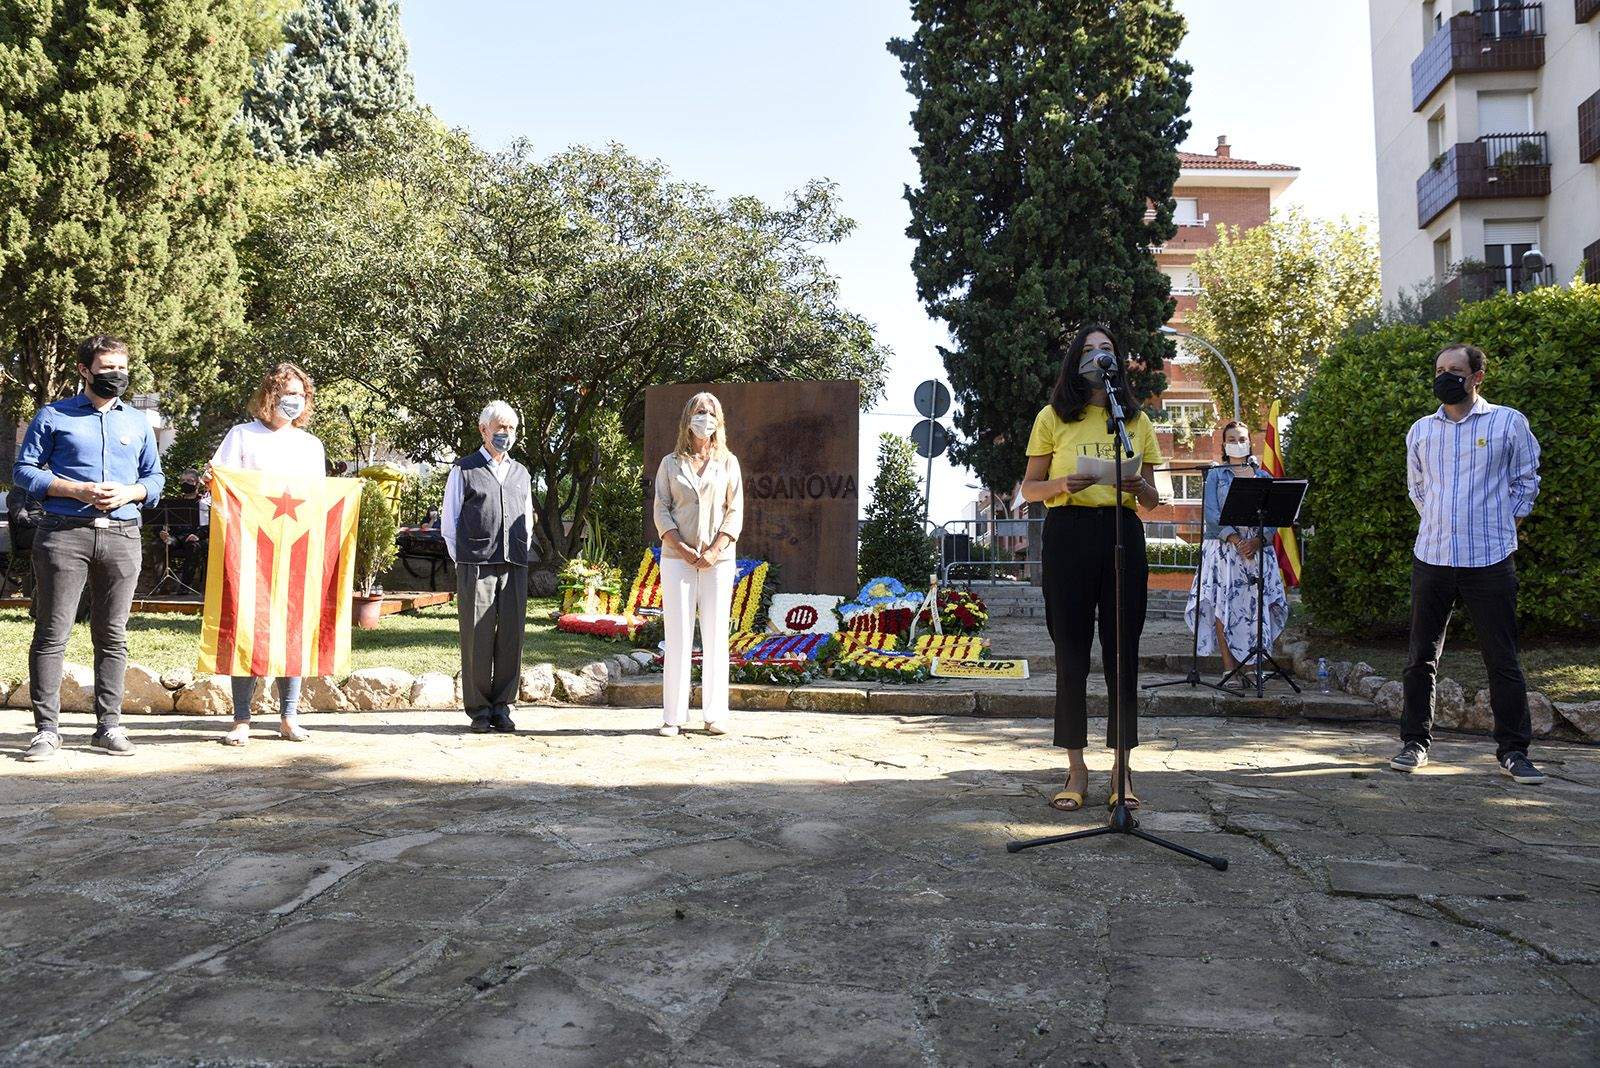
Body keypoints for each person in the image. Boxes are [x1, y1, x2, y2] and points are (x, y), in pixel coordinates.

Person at [1020, 323, 1164, 811]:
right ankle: (1076, 768)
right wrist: (1063, 483)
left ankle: (1122, 769)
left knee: (1123, 654)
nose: (1099, 355)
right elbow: (1029, 489)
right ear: (1075, 361)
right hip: (1069, 534)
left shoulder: (1136, 420)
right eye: (1089, 349)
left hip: (1122, 533)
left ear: (1116, 360)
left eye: (1106, 349)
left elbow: (1153, 498)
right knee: (1072, 656)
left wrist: (1139, 487)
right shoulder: (1052, 417)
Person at [1392, 343, 1544, 784]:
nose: (1445, 376)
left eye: (1455, 370)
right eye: (1440, 369)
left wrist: (1501, 524)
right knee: (1420, 658)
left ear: (1477, 376)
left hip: (1490, 558)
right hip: (1433, 556)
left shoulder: (1508, 423)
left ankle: (1514, 752)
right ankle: (1414, 742)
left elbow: (1526, 481)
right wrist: (1443, 523)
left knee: (1502, 659)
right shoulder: (1421, 430)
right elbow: (1418, 488)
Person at [15, 335, 164, 761]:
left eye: (122, 368)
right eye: (107, 368)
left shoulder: (137, 422)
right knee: (52, 632)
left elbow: (155, 479)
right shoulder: (54, 415)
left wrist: (131, 492)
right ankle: (46, 731)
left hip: (122, 535)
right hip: (64, 534)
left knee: (113, 634)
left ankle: (109, 727)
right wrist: (74, 488)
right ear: (84, 370)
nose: (116, 375)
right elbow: (24, 471)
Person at [209, 363, 327, 745]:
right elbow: (222, 486)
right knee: (247, 627)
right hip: (250, 549)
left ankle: (289, 716)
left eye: (300, 395)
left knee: (293, 628)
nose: (294, 400)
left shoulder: (310, 445)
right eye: (287, 393)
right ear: (270, 395)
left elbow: (318, 497)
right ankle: (241, 719)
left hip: (296, 550)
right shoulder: (242, 436)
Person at [652, 392, 744, 737]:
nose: (705, 418)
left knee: (716, 636)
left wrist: (715, 550)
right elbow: (661, 508)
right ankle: (673, 717)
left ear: (719, 421)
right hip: (677, 559)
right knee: (677, 636)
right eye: (699, 411)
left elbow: (735, 510)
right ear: (687, 418)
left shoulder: (728, 462)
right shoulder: (669, 463)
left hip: (718, 561)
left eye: (711, 412)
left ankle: (715, 715)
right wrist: (681, 546)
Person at [442, 401, 533, 734]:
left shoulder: (521, 472)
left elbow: (527, 519)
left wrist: (520, 548)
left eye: (511, 428)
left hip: (514, 563)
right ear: (484, 430)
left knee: (511, 636)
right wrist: (463, 559)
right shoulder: (463, 469)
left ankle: (502, 707)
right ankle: (479, 709)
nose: (505, 433)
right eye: (500, 427)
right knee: (476, 637)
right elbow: (449, 522)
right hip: (475, 564)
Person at [1184, 421, 1289, 676]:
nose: (1237, 443)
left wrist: (1257, 541)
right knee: (1224, 606)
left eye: (1242, 439)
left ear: (1249, 442)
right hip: (1224, 551)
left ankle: (1252, 669)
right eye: (1231, 439)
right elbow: (1211, 514)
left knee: (1256, 607)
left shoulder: (1263, 477)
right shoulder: (1216, 475)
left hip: (1257, 551)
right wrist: (1235, 540)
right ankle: (1229, 669)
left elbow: (1273, 516)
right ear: (1223, 444)